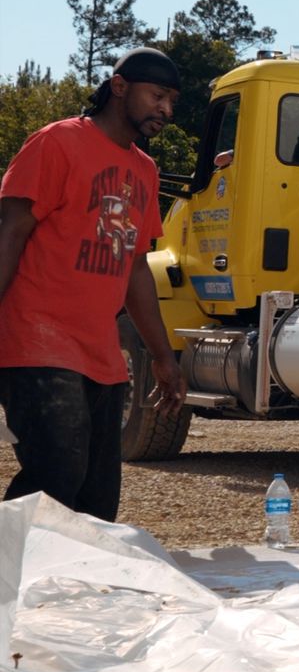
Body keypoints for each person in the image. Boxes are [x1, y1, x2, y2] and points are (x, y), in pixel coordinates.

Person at [0, 48, 187, 522]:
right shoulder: (57, 142)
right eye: (157, 95)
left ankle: (66, 594)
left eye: (172, 101)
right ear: (119, 87)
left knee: (97, 502)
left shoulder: (144, 170)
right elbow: (10, 230)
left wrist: (163, 359)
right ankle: (9, 581)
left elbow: (137, 271)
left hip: (101, 355)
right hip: (36, 340)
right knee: (54, 476)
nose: (165, 109)